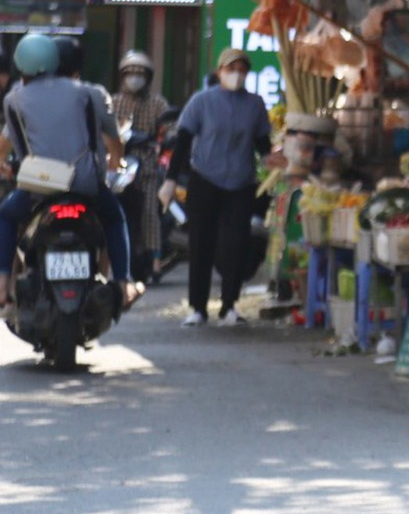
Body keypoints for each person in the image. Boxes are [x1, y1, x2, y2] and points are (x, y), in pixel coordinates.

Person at [0, 33, 139, 312]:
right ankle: (124, 282)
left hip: (38, 187)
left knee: (5, 215)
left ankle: (2, 282)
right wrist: (115, 162)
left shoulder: (15, 99)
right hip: (85, 185)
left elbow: (11, 142)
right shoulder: (92, 93)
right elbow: (115, 141)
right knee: (114, 218)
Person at [161, 48, 270, 327]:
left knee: (236, 244)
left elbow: (262, 145)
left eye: (242, 69)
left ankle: (229, 306)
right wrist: (170, 181)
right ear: (220, 70)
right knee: (201, 244)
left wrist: (276, 160)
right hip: (204, 179)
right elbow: (183, 141)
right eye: (231, 68)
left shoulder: (255, 105)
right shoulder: (202, 101)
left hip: (241, 183)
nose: (237, 74)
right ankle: (197, 307)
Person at [110, 51, 170, 284]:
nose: (135, 78)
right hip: (117, 163)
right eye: (130, 74)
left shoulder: (157, 103)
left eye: (140, 74)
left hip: (145, 165)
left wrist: (159, 140)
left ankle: (155, 262)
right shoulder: (113, 102)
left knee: (149, 212)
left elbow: (170, 126)